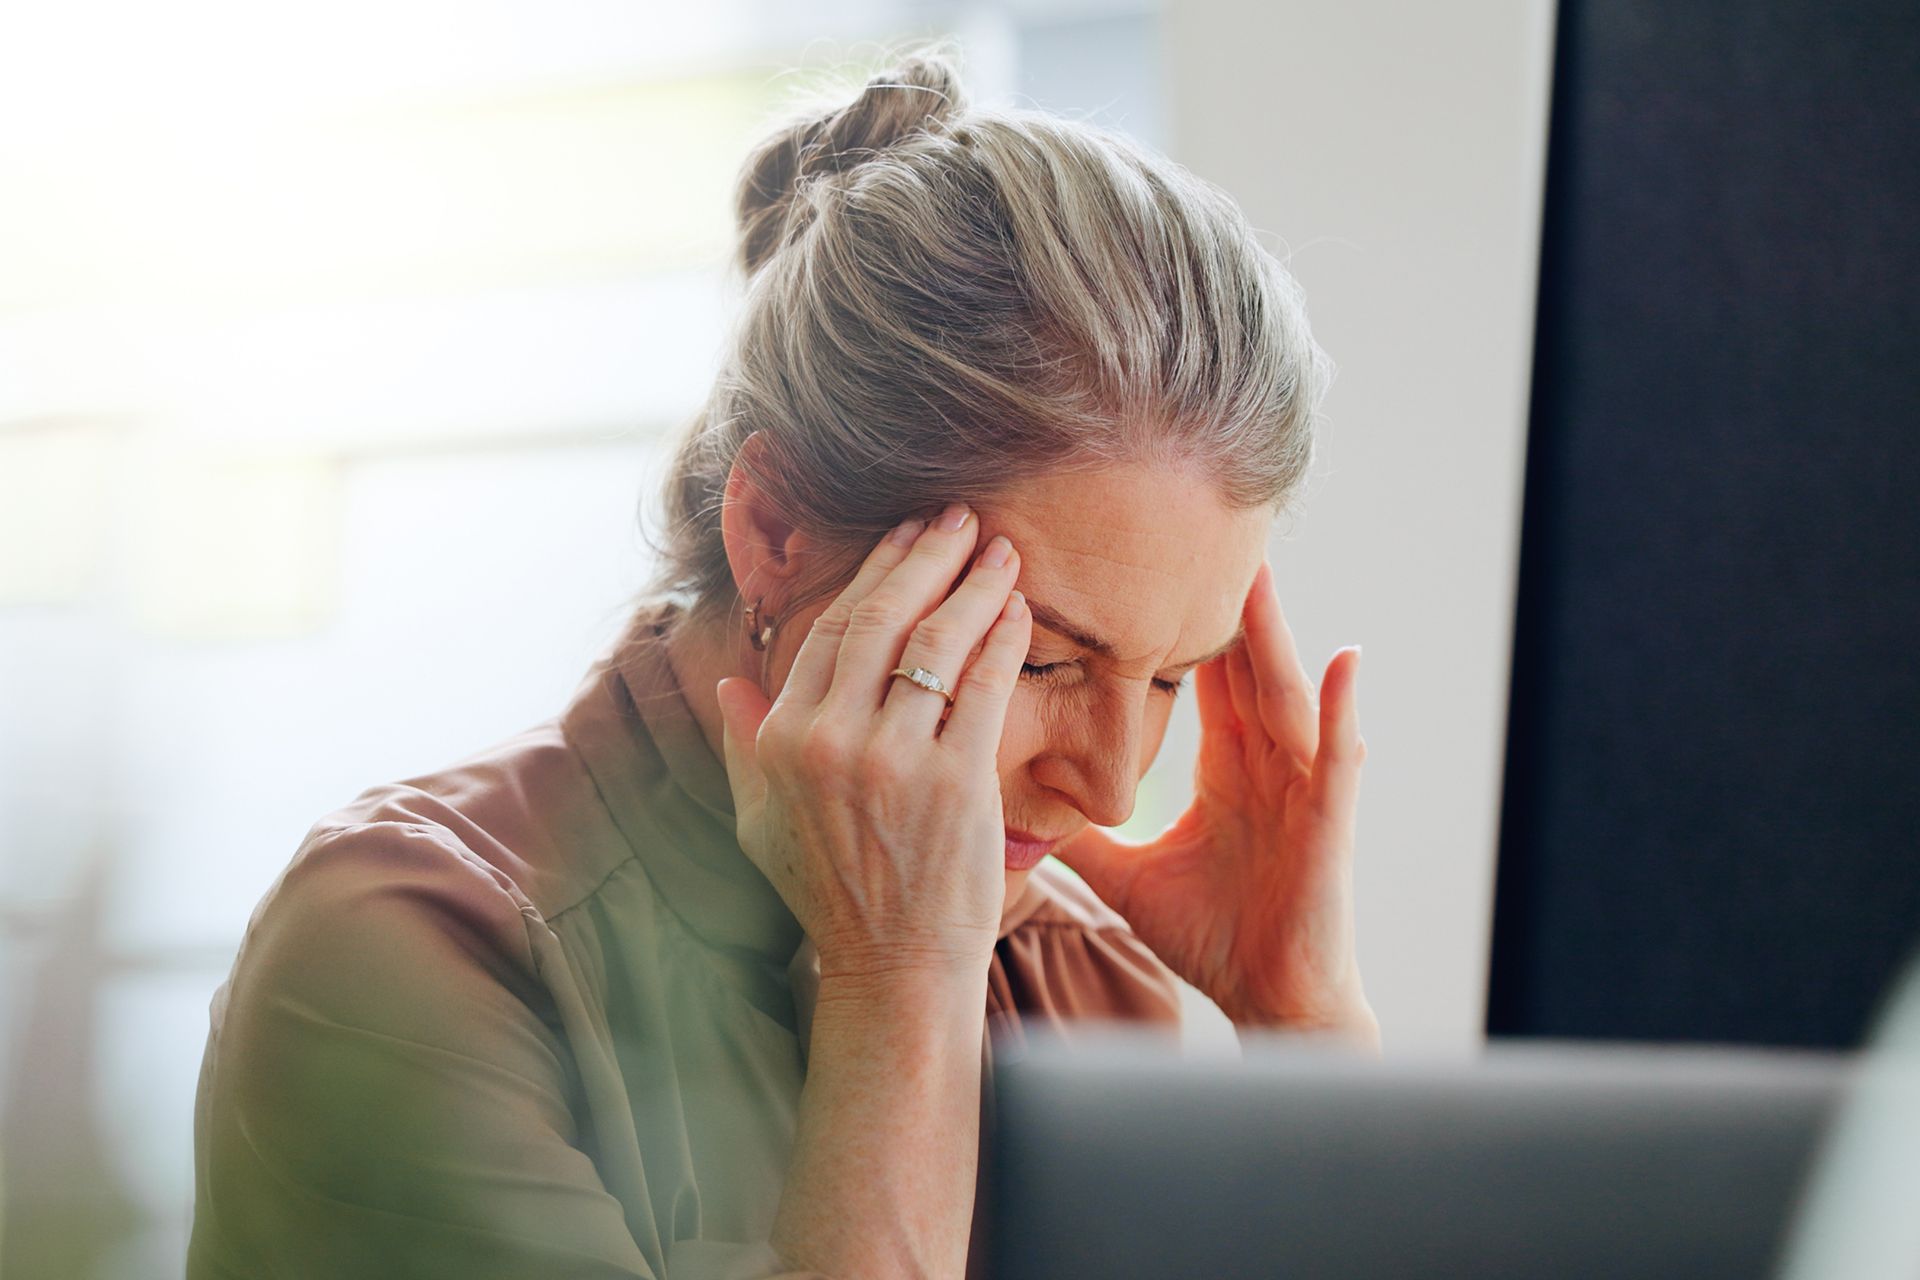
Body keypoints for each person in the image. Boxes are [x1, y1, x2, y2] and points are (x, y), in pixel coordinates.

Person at [186, 45, 1377, 1280]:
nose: (1114, 787)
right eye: (1040, 661)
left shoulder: (1066, 964)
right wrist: (899, 977)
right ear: (772, 533)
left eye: (1173, 675)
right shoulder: (405, 954)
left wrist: (1302, 1024)